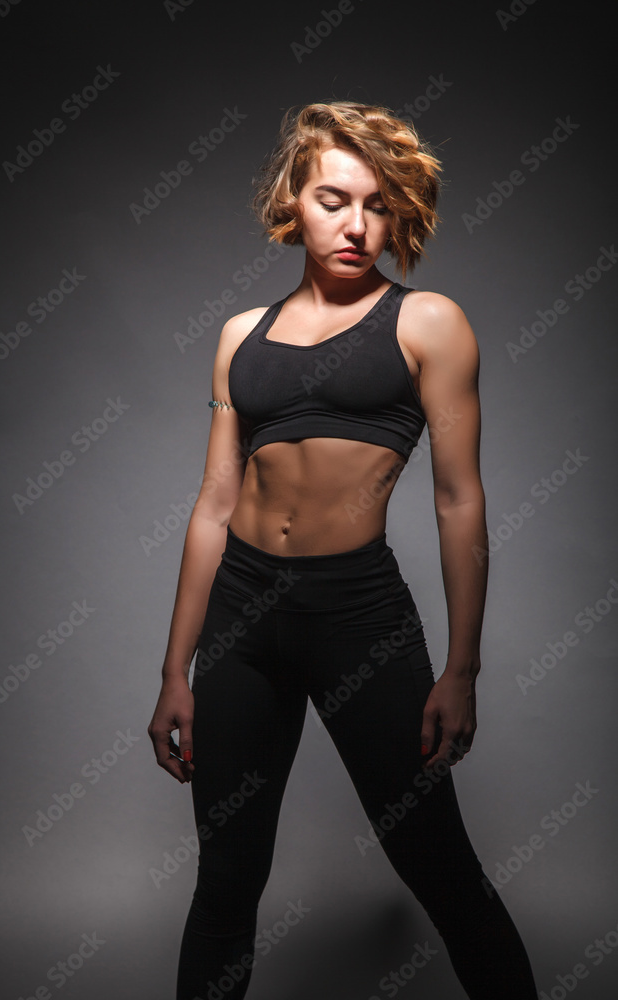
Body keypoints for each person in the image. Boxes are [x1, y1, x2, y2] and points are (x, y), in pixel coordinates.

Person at [148, 101, 538, 999]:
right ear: (295, 198)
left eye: (377, 204)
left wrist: (463, 668)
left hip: (356, 615)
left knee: (441, 874)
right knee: (225, 884)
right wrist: (176, 669)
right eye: (332, 199)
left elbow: (458, 499)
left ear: (397, 213)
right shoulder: (239, 336)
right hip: (241, 619)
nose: (356, 224)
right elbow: (213, 503)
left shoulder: (428, 323)